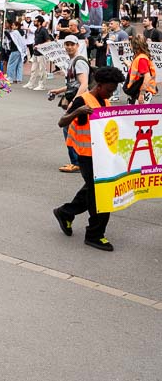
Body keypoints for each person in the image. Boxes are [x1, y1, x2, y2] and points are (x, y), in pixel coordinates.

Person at [53, 66, 125, 252]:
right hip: (86, 156)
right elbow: (62, 122)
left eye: (113, 91)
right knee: (100, 195)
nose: (111, 94)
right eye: (109, 90)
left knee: (92, 190)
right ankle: (94, 235)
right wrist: (77, 112)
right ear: (99, 85)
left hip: (102, 154)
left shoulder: (104, 100)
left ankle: (65, 212)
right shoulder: (82, 100)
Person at [48, 35, 90, 173]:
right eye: (67, 44)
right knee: (73, 130)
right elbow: (73, 84)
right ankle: (79, 161)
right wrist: (58, 91)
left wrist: (74, 102)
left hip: (80, 100)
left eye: (72, 44)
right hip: (78, 99)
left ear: (77, 46)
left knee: (68, 128)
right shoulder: (72, 61)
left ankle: (76, 162)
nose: (69, 47)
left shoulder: (79, 62)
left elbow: (84, 84)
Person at [124, 34, 156, 105]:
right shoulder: (141, 57)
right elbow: (139, 73)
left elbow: (147, 77)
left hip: (140, 91)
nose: (129, 46)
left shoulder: (141, 58)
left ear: (135, 45)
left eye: (130, 44)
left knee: (134, 111)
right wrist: (129, 65)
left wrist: (141, 94)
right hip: (138, 90)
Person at [24, 16, 52, 91]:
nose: (34, 22)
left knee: (42, 70)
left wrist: (39, 46)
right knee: (33, 69)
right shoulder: (37, 30)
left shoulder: (43, 30)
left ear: (39, 22)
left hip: (42, 53)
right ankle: (31, 83)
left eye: (35, 21)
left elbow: (48, 41)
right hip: (36, 53)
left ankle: (42, 85)